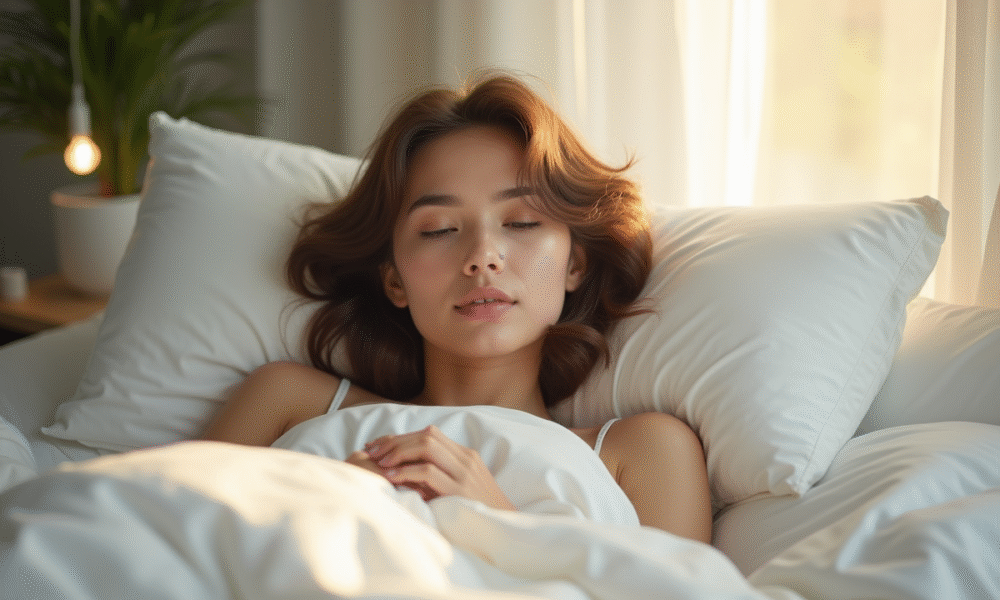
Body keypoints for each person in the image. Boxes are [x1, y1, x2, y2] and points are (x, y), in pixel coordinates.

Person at [201, 74, 712, 544]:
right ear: (394, 280)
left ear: (574, 265)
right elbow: (163, 541)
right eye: (439, 229)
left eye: (522, 222)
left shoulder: (644, 451)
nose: (481, 257)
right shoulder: (285, 401)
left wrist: (496, 522)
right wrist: (321, 508)